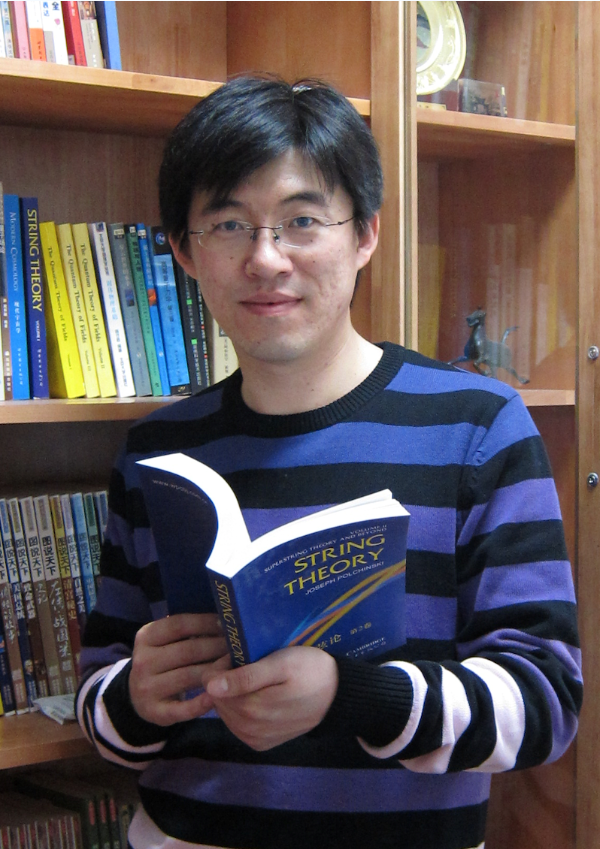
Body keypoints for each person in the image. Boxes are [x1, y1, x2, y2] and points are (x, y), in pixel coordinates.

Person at [76, 75, 582, 849]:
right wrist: (135, 698)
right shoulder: (159, 450)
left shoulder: (477, 425)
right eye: (228, 225)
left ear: (366, 234)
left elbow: (544, 702)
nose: (266, 258)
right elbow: (97, 703)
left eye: (302, 221)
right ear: (184, 250)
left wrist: (355, 697)